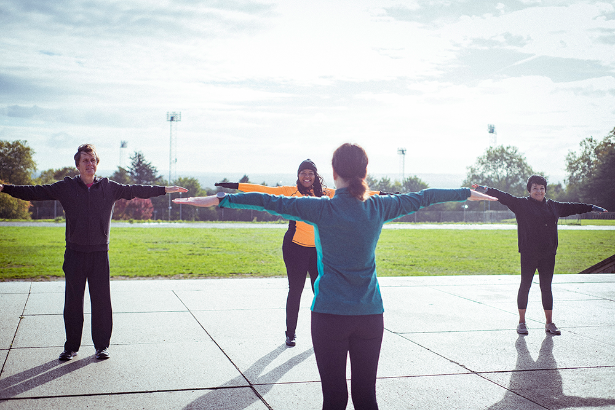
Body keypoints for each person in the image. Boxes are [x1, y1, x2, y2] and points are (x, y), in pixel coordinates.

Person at [175, 143, 496, 410]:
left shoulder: (321, 208)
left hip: (329, 315)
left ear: (333, 173)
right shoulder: (380, 207)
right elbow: (426, 196)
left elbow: (269, 201)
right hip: (370, 315)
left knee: (335, 399)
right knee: (366, 398)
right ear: (365, 173)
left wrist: (220, 199)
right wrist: (467, 192)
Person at [0, 144, 187, 361]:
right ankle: (71, 347)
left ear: (97, 164)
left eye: (93, 160)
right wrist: (5, 188)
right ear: (78, 165)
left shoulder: (109, 187)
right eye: (85, 160)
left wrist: (164, 189)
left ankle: (102, 347)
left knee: (101, 302)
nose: (90, 164)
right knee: (73, 302)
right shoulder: (66, 187)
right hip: (74, 254)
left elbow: (136, 189)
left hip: (99, 254)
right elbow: (36, 191)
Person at [215, 160, 334, 347]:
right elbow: (261, 190)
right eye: (303, 172)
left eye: (310, 172)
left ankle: (325, 334)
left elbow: (357, 195)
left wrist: (384, 196)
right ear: (298, 175)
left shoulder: (327, 194)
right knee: (295, 291)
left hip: (319, 250)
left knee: (320, 292)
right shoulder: (288, 191)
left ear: (316, 175)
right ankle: (290, 333)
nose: (307, 176)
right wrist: (234, 186)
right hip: (294, 247)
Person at [473, 176, 607, 336]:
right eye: (535, 188)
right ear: (529, 190)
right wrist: (485, 189)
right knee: (525, 286)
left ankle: (549, 323)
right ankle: (521, 322)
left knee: (546, 287)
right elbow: (503, 196)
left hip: (548, 253)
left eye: (542, 188)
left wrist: (592, 207)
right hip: (529, 253)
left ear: (545, 190)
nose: (539, 191)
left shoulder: (553, 206)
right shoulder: (521, 204)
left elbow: (574, 207)